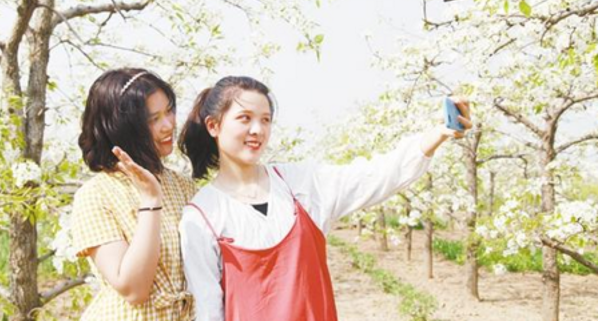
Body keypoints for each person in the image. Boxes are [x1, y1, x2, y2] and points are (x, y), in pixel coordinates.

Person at [178, 76, 471, 321]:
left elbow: (376, 175)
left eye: (265, 120)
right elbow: (208, 310)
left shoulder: (300, 185)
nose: (257, 130)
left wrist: (438, 133)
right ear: (213, 126)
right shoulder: (203, 215)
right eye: (245, 119)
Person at [71, 68, 195, 320]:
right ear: (123, 129)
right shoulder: (96, 195)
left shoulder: (185, 188)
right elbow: (133, 289)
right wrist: (151, 201)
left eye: (169, 110)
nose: (169, 124)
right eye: (153, 119)